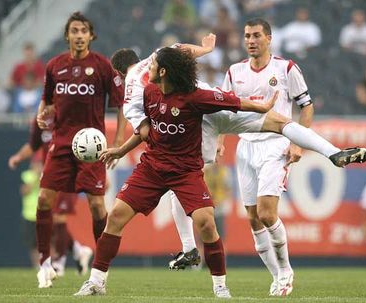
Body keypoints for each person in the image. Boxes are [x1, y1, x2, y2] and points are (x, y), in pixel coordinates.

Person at [108, 33, 366, 276]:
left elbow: (143, 130)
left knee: (178, 177)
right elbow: (183, 51)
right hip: (212, 101)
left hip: (192, 122)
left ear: (120, 72)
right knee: (280, 123)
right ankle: (333, 152)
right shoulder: (159, 54)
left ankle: (189, 247)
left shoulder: (132, 85)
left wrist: (130, 144)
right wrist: (207, 49)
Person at [74, 46, 280, 299]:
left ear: (163, 71)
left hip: (185, 171)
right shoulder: (149, 92)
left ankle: (220, 287)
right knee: (115, 215)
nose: (146, 68)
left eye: (151, 65)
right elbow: (144, 132)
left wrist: (262, 108)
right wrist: (120, 151)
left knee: (206, 223)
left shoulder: (194, 96)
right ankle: (96, 281)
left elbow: (232, 101)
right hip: (153, 167)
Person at [219, 18, 314, 296]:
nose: (251, 40)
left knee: (266, 212)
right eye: (247, 35)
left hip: (276, 144)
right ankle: (276, 276)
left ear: (269, 38)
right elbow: (224, 109)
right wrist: (221, 140)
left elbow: (306, 107)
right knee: (253, 218)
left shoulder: (285, 68)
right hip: (245, 146)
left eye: (257, 35)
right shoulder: (235, 71)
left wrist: (298, 141)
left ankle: (285, 270)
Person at [34, 11, 125, 288]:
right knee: (43, 202)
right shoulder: (54, 66)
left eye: (83, 31)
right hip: (61, 144)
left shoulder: (102, 66)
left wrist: (118, 142)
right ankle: (45, 264)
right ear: (67, 35)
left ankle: (100, 270)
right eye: (74, 30)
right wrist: (41, 113)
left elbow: (120, 105)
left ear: (91, 35)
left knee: (98, 207)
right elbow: (47, 99)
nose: (79, 35)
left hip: (92, 148)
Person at [8, 118, 93, 277]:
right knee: (54, 219)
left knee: (58, 217)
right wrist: (18, 157)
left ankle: (59, 263)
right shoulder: (41, 120)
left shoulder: (71, 114)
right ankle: (78, 250)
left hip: (69, 173)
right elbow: (33, 146)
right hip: (53, 175)